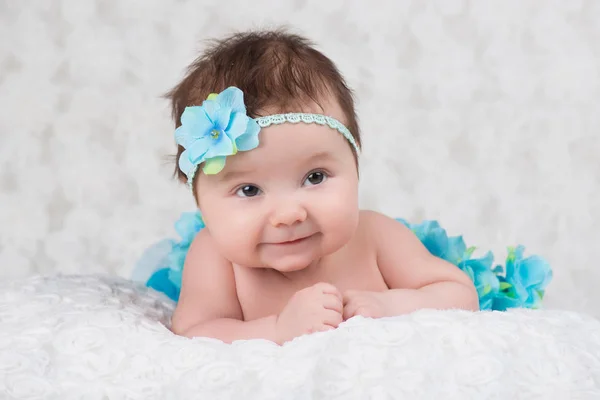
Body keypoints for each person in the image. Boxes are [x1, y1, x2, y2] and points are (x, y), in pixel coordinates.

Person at [135, 29, 551, 345]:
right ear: (201, 202)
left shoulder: (375, 235)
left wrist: (392, 305)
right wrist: (277, 328)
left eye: (314, 178)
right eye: (249, 190)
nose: (289, 214)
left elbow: (459, 293)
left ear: (354, 166)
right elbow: (196, 331)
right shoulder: (216, 258)